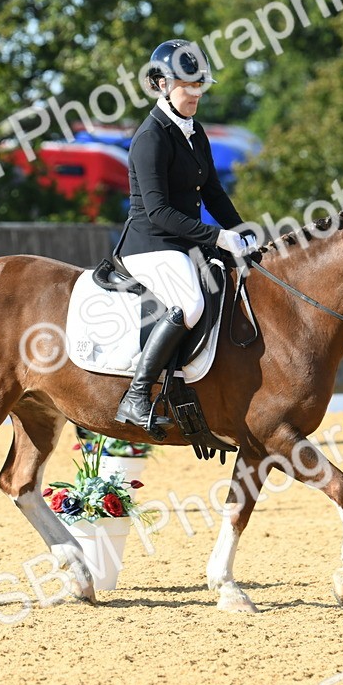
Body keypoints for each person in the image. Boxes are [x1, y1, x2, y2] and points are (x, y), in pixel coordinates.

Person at [113, 39, 257, 432]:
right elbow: (158, 212)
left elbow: (213, 192)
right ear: (161, 84)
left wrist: (243, 233)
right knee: (191, 304)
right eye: (185, 85)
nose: (194, 93)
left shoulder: (195, 133)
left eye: (199, 85)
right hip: (150, 244)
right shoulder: (151, 137)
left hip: (182, 242)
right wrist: (216, 237)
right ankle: (137, 396)